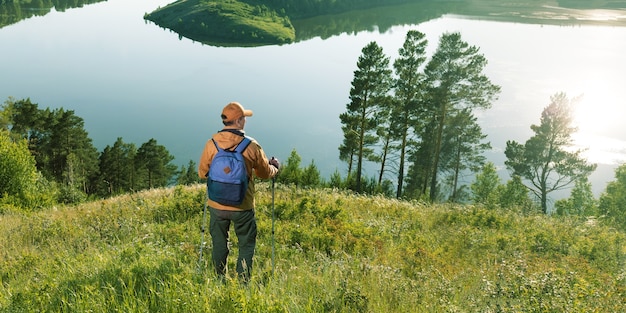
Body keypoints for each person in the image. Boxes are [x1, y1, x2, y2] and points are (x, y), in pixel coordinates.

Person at [198, 101, 279, 282]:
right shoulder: (251, 146)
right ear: (240, 121)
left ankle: (219, 280)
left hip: (216, 205)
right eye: (244, 118)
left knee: (219, 243)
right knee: (246, 244)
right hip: (243, 206)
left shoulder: (212, 144)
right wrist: (275, 168)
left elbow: (203, 173)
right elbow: (264, 173)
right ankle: (243, 283)